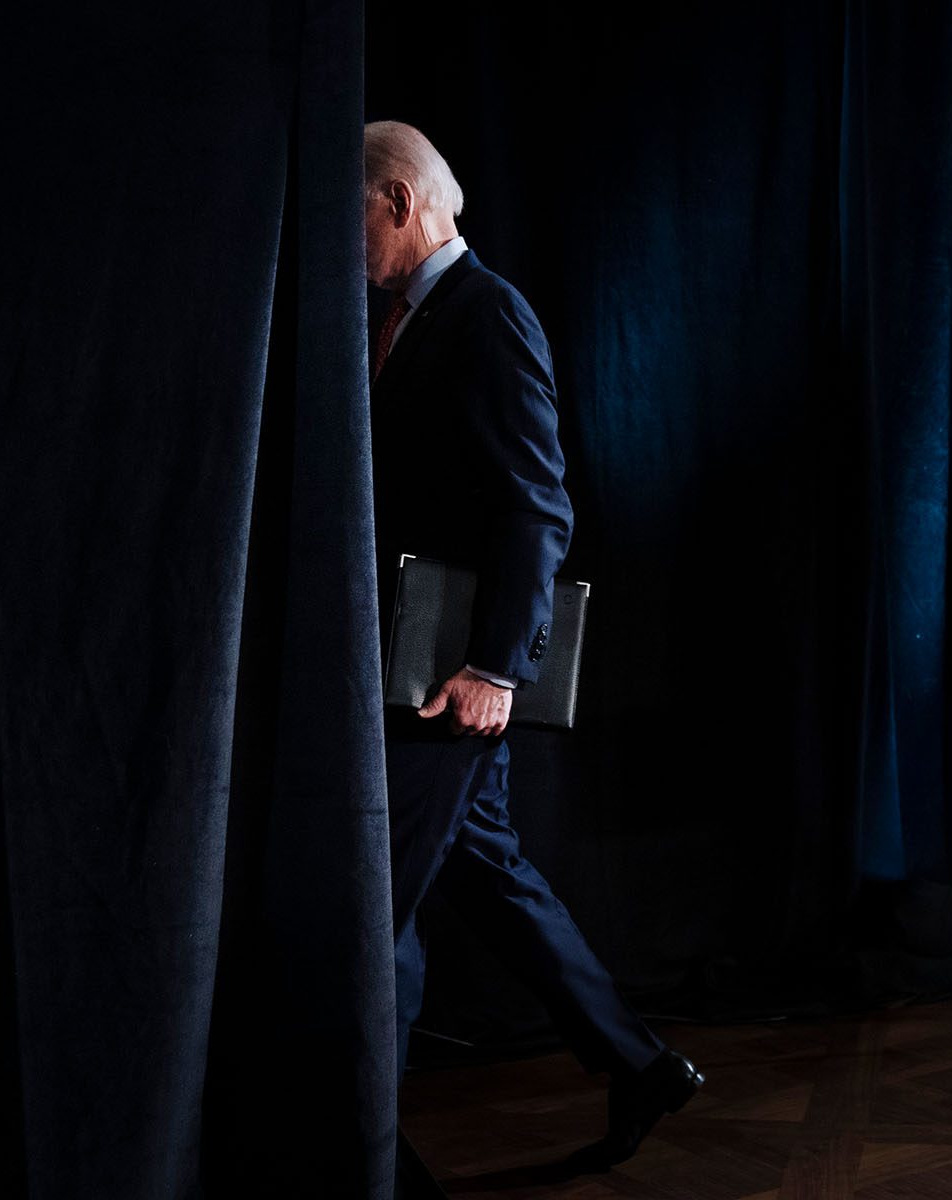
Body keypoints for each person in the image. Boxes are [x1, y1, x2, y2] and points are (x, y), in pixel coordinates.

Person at [362, 119, 701, 1171]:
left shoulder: (486, 314)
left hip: (454, 678)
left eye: (351, 222)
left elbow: (537, 505)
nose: (346, 249)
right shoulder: (404, 317)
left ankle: (370, 1152)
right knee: (487, 872)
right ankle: (640, 1065)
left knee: (377, 908)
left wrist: (498, 667)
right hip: (416, 670)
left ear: (399, 203)